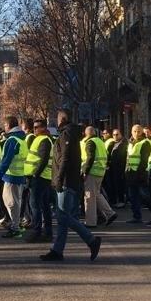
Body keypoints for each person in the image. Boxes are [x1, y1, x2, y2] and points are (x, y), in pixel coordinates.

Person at [40, 110, 102, 262]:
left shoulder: (67, 134)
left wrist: (59, 179)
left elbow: (65, 158)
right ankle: (57, 250)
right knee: (63, 218)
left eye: (57, 118)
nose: (55, 121)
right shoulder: (70, 133)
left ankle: (91, 240)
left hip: (67, 181)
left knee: (63, 216)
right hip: (68, 180)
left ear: (63, 119)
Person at [0, 116, 28, 239]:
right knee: (15, 202)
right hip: (18, 175)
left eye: (5, 125)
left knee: (11, 203)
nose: (4, 127)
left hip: (12, 176)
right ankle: (17, 224)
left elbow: (6, 160)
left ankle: (15, 228)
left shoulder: (12, 140)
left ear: (9, 125)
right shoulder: (21, 139)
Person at [24, 120, 54, 243]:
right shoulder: (39, 139)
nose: (34, 129)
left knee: (35, 205)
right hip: (40, 177)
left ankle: (37, 232)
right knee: (44, 205)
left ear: (44, 128)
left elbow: (43, 159)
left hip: (39, 177)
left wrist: (36, 174)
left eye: (37, 127)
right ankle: (47, 232)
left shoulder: (44, 140)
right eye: (34, 127)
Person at [81, 126, 116, 228]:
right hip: (100, 171)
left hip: (92, 172)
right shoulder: (100, 141)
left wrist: (85, 171)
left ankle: (90, 222)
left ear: (86, 133)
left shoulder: (90, 142)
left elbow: (90, 158)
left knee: (89, 197)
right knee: (96, 194)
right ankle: (110, 213)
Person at [125, 125, 150, 223]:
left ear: (142, 132)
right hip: (131, 173)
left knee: (145, 196)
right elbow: (128, 158)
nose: (136, 133)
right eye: (134, 131)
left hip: (140, 174)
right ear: (131, 132)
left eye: (138, 131)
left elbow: (144, 161)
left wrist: (138, 174)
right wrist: (126, 171)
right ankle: (136, 216)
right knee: (133, 196)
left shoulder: (145, 143)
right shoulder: (130, 142)